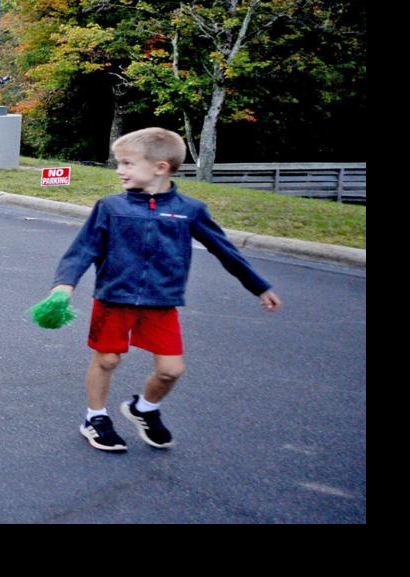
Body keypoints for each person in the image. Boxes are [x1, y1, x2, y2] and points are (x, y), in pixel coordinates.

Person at [50, 128, 282, 451]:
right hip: (114, 298)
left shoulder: (191, 210)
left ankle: (143, 408)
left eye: (128, 163)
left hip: (162, 302)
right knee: (107, 360)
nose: (120, 170)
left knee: (171, 370)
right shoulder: (110, 207)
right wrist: (64, 285)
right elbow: (82, 250)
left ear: (161, 167)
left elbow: (226, 251)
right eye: (120, 163)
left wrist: (259, 286)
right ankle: (95, 417)